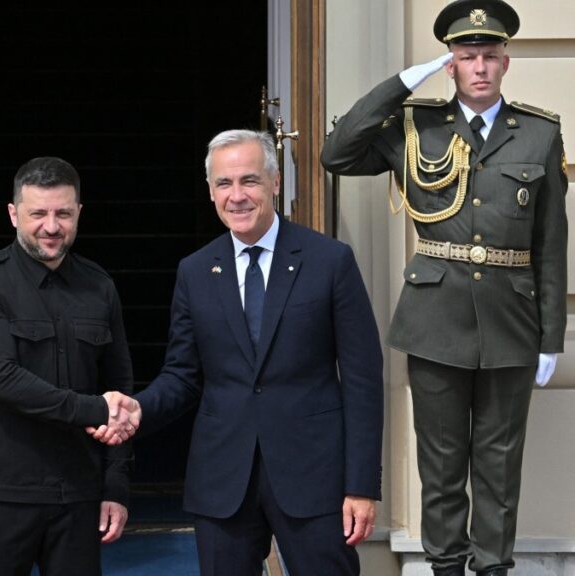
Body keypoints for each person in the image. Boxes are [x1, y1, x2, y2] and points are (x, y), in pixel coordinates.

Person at [320, 1, 567, 574]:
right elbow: (338, 152)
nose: (478, 66)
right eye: (465, 57)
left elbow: (552, 243)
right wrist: (404, 83)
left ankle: (492, 568)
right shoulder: (415, 124)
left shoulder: (538, 132)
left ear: (505, 62)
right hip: (434, 320)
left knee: (500, 465)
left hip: (512, 320)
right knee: (441, 463)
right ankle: (446, 566)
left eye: (488, 56)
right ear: (450, 65)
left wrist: (550, 335)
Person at [92, 130, 384, 575]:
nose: (237, 196)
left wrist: (362, 485)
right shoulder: (195, 271)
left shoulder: (330, 261)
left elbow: (363, 380)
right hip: (223, 480)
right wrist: (139, 410)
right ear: (210, 192)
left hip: (313, 478)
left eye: (249, 181)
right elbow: (183, 375)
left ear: (275, 183)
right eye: (224, 184)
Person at [0, 156, 138, 576]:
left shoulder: (100, 286)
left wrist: (116, 486)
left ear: (78, 214)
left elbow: (120, 387)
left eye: (63, 214)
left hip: (77, 495)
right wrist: (95, 410)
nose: (51, 227)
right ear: (13, 214)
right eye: (38, 213)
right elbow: (2, 381)